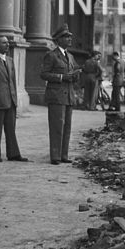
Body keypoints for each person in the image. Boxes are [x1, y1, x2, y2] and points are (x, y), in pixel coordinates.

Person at [0, 35, 28, 162]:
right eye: (4, 43)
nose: (7, 45)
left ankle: (13, 154)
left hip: (10, 101)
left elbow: (12, 82)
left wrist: (15, 99)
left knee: (11, 129)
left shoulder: (10, 60)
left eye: (7, 43)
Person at [41, 24, 80, 165]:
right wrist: (62, 77)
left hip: (68, 95)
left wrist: (75, 76)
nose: (70, 39)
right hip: (56, 96)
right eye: (66, 37)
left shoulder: (70, 56)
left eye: (70, 37)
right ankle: (55, 156)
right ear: (58, 39)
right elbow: (44, 74)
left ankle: (64, 155)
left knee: (67, 127)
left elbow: (74, 71)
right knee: (57, 127)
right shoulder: (51, 55)